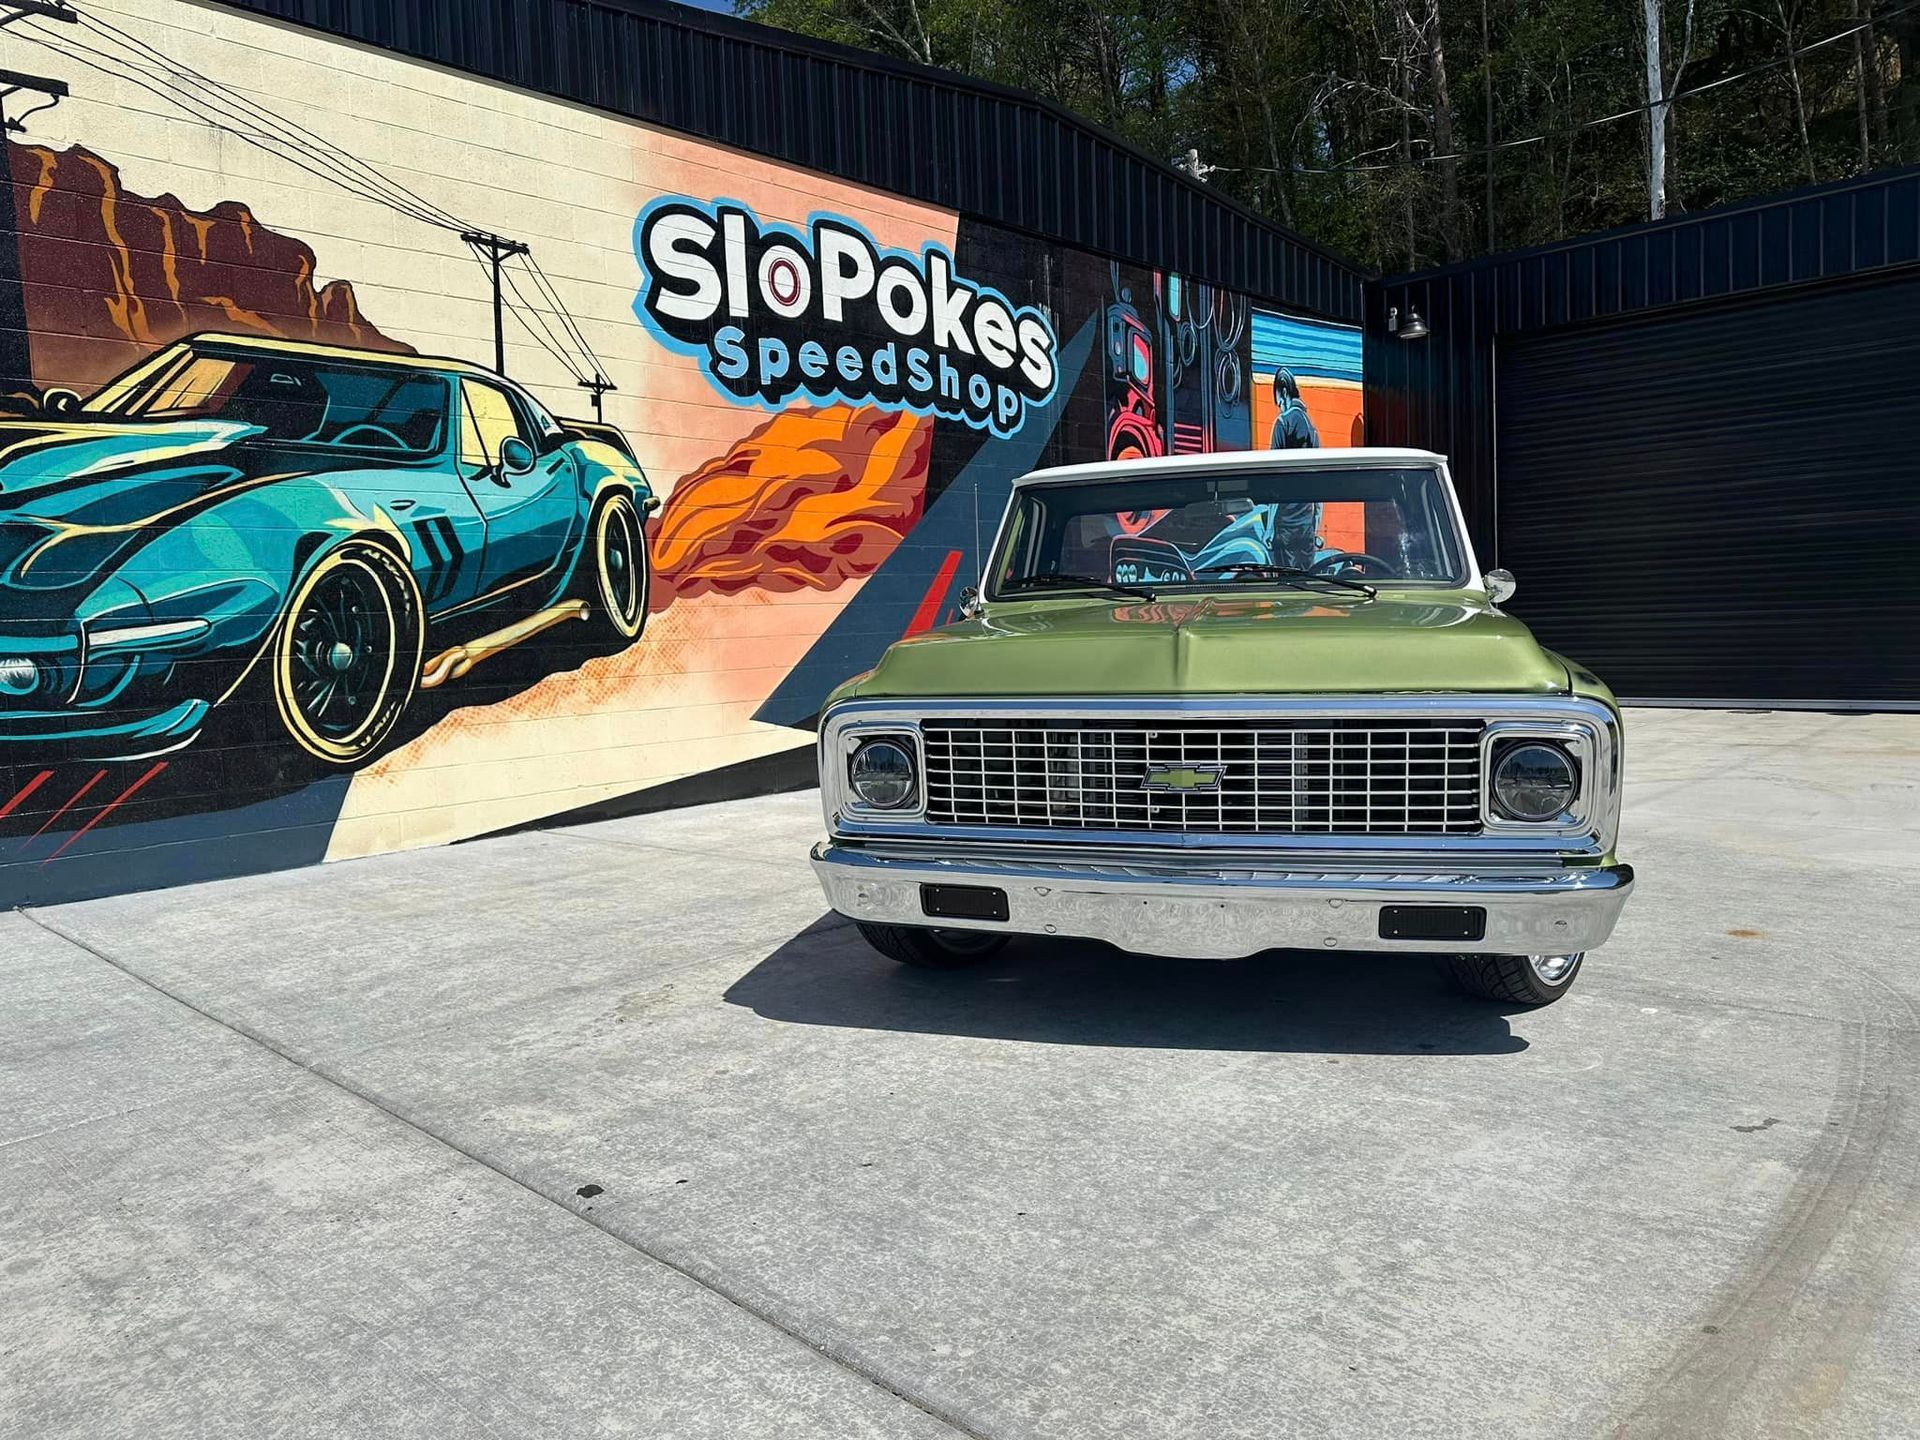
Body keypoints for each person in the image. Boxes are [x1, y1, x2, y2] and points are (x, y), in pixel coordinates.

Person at [1268, 368, 1320, 449]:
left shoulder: (1282, 422)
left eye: (1280, 403)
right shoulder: (1311, 427)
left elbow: (1274, 459)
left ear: (1284, 392)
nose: (1281, 410)